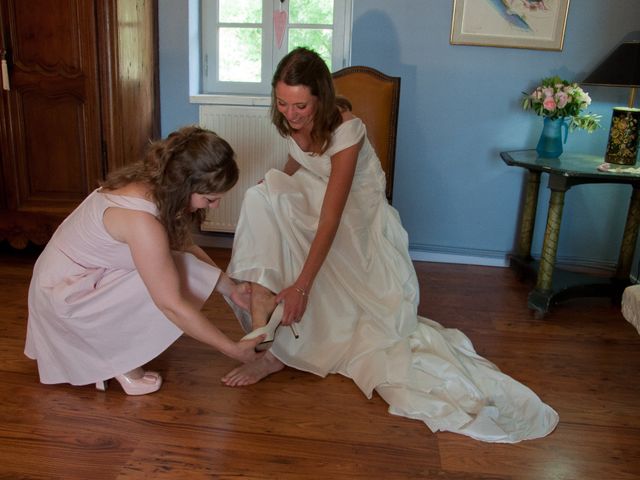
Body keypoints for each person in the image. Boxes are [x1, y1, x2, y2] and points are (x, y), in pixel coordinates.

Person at [221, 47, 559, 443]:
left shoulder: (347, 130)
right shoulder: (292, 122)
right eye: (281, 103)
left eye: (299, 105)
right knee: (259, 197)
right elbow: (299, 160)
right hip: (320, 199)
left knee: (282, 220)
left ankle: (274, 343)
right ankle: (265, 339)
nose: (289, 114)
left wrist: (301, 287)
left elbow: (333, 217)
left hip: (354, 219)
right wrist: (275, 178)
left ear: (320, 99)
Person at [25, 126, 264, 395]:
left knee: (181, 266)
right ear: (185, 186)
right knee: (176, 278)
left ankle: (112, 347)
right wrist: (231, 349)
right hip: (66, 299)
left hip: (74, 279)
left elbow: (183, 244)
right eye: (210, 199)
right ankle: (113, 361)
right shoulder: (141, 222)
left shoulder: (151, 184)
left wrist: (231, 289)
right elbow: (171, 305)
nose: (214, 206)